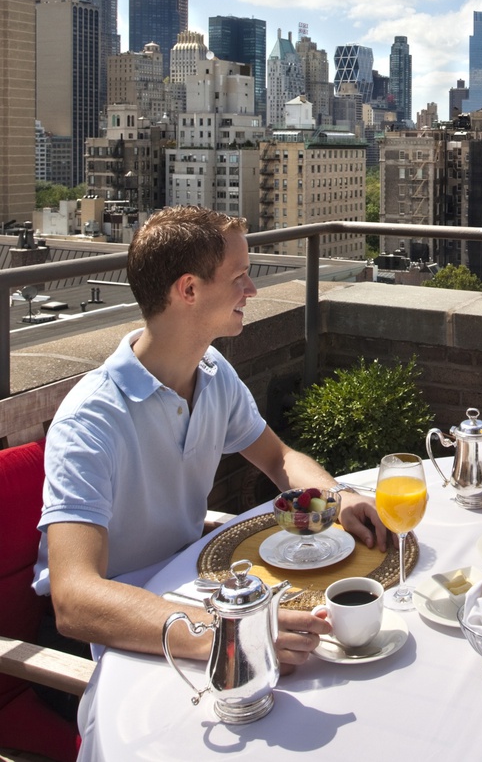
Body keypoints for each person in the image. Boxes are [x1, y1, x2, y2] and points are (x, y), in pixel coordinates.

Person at [34, 206, 387, 669]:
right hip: (112, 637)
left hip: (187, 593)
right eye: (239, 275)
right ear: (189, 290)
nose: (253, 289)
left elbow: (279, 459)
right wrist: (229, 633)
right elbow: (75, 599)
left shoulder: (213, 373)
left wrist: (337, 497)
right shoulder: (91, 420)